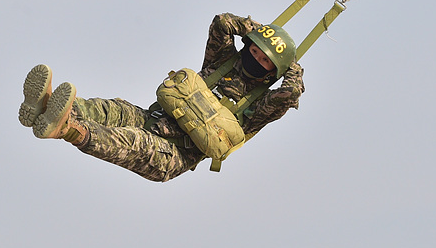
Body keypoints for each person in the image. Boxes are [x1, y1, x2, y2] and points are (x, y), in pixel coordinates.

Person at [18, 13, 305, 182]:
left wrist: (291, 64)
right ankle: (46, 106)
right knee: (112, 110)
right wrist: (256, 31)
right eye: (254, 50)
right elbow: (222, 23)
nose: (255, 59)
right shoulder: (223, 62)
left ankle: (66, 127)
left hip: (174, 154)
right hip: (153, 118)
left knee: (130, 141)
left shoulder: (260, 103)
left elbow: (291, 92)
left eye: (264, 60)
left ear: (273, 72)